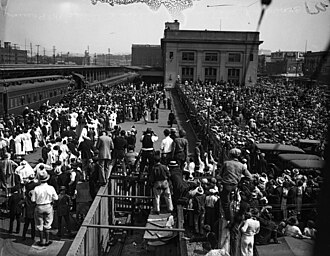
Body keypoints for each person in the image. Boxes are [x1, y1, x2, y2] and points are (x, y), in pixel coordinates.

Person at [219, 148, 252, 223]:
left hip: (226, 185)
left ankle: (229, 219)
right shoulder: (241, 165)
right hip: (235, 185)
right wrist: (240, 180)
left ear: (230, 155)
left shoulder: (226, 163)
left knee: (225, 203)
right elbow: (250, 177)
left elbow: (219, 175)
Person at [31, 170, 58, 246]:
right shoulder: (51, 188)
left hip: (39, 206)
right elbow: (56, 198)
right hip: (48, 206)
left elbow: (33, 200)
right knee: (48, 224)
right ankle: (47, 240)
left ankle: (41, 241)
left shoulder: (36, 188)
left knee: (40, 224)